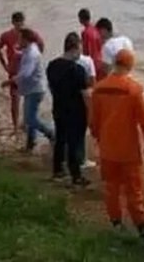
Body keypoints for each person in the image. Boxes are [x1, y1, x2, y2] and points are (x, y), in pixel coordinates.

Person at [90, 49, 144, 249]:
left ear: (115, 63)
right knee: (135, 191)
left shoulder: (99, 88)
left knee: (111, 188)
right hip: (129, 150)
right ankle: (143, 230)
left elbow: (93, 122)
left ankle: (116, 224)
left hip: (107, 148)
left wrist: (99, 138)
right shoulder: (134, 89)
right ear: (131, 66)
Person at [46, 32, 91, 187]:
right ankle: (76, 175)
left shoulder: (52, 66)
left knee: (60, 139)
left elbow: (51, 87)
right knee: (75, 143)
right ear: (75, 48)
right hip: (75, 112)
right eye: (80, 48)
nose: (81, 52)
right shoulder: (77, 70)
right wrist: (91, 113)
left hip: (58, 108)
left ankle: (57, 170)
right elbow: (85, 95)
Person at [0, 12, 45, 135]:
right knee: (15, 99)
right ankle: (16, 126)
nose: (19, 25)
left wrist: (36, 60)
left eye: (21, 22)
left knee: (29, 98)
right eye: (17, 23)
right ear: (13, 23)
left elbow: (41, 44)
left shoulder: (29, 34)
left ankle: (27, 123)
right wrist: (4, 65)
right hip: (14, 71)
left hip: (26, 72)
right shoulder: (7, 35)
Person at [11, 28, 53, 152]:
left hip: (35, 89)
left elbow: (26, 73)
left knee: (29, 119)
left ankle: (50, 133)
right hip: (33, 88)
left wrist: (12, 80)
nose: (18, 41)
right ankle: (30, 144)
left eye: (20, 38)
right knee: (31, 117)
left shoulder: (31, 54)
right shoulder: (30, 49)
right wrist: (18, 53)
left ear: (26, 39)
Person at [76, 50, 98, 169]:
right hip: (85, 95)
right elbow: (93, 80)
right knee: (83, 127)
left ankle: (71, 155)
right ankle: (82, 159)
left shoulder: (64, 60)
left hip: (71, 96)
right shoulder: (88, 60)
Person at [78, 8, 104, 80]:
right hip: (100, 61)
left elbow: (86, 51)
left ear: (81, 19)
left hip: (93, 63)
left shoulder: (85, 33)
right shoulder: (96, 29)